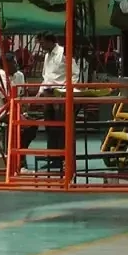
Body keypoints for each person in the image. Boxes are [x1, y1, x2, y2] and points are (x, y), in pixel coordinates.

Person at [36, 33, 80, 171]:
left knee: (62, 128)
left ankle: (63, 159)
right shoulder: (47, 56)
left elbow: (75, 73)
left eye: (42, 43)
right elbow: (46, 76)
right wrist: (40, 92)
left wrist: (66, 91)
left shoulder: (63, 53)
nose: (41, 46)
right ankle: (53, 159)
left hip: (61, 94)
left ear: (51, 41)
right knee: (50, 127)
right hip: (48, 94)